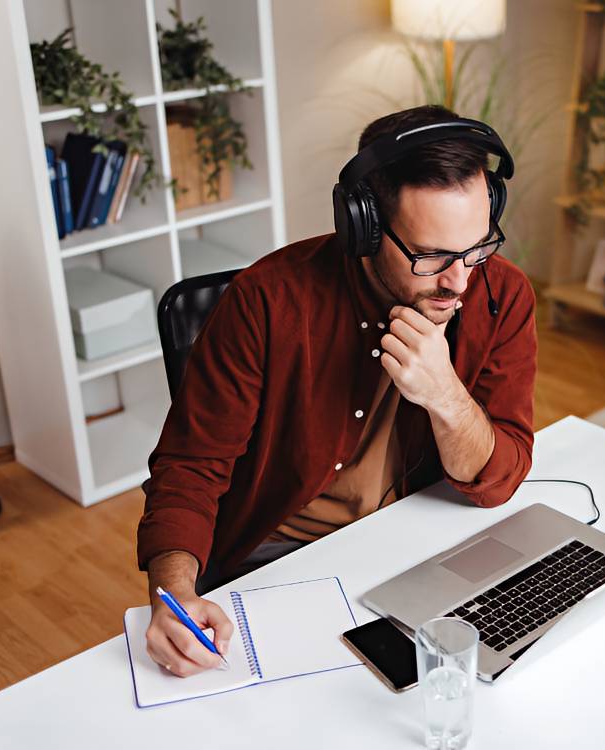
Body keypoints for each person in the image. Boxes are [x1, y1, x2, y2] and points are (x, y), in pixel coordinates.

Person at [137, 105, 537, 677]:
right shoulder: (266, 303)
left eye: (477, 247)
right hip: (277, 559)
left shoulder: (503, 295)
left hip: (411, 541)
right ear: (364, 225)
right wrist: (172, 597)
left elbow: (500, 477)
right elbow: (189, 467)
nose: (460, 280)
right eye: (432, 257)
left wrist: (445, 394)